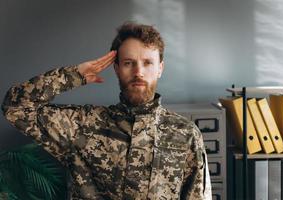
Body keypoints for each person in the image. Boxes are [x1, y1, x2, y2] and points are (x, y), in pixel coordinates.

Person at [2, 22, 212, 199]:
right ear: (116, 68)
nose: (138, 72)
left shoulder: (185, 135)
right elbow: (16, 108)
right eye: (129, 63)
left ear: (160, 68)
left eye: (147, 63)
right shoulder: (82, 125)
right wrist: (74, 75)